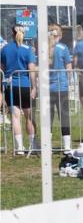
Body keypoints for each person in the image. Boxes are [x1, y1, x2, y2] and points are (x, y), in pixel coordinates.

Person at [1, 25, 37, 155]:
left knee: (15, 118)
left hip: (10, 86)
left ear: (12, 34)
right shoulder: (28, 50)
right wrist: (34, 87)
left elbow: (2, 69)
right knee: (29, 117)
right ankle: (33, 145)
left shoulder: (5, 49)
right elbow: (32, 70)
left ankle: (19, 147)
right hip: (25, 86)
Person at [47, 24, 74, 150]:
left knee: (48, 117)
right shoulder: (63, 48)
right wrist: (70, 82)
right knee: (64, 116)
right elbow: (69, 68)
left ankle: (47, 145)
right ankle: (67, 146)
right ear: (60, 34)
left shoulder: (44, 48)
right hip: (62, 87)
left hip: (47, 88)